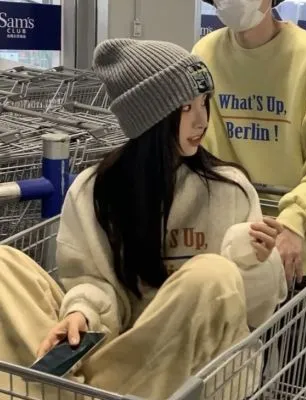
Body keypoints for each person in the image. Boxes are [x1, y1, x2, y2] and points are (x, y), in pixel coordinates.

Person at [0, 39, 288, 400]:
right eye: (186, 107)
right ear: (149, 117)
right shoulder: (95, 191)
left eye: (205, 103)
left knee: (213, 276)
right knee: (4, 265)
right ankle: (76, 389)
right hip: (118, 357)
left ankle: (61, 392)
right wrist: (81, 314)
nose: (202, 120)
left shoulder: (230, 189)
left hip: (199, 371)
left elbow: (253, 314)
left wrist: (254, 264)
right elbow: (95, 283)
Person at [192, 0, 306, 397]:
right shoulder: (206, 54)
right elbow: (199, 147)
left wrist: (297, 218)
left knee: (297, 379)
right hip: (234, 249)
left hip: (300, 256)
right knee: (231, 378)